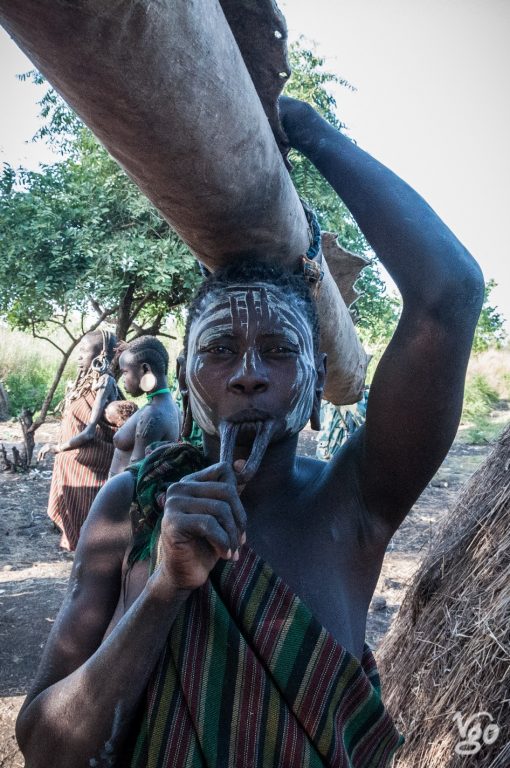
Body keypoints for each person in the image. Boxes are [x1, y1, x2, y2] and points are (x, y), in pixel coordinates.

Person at [17, 99, 484, 767]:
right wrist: (163, 588)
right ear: (182, 376)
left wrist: (311, 131)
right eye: (219, 351)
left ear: (319, 376)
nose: (248, 376)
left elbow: (452, 294)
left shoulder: (353, 502)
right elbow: (44, 748)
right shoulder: (131, 507)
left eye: (277, 349)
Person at [38, 329, 120, 551]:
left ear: (101, 353)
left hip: (94, 462)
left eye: (85, 350)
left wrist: (57, 447)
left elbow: (90, 432)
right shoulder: (86, 383)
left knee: (89, 529)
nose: (79, 356)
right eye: (79, 351)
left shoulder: (105, 381)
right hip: (78, 458)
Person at [108, 336, 181, 476]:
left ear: (145, 369)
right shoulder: (171, 407)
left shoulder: (153, 414)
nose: (123, 379)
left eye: (125, 372)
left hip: (123, 497)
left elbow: (134, 476)